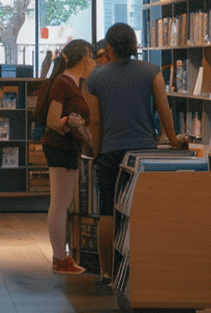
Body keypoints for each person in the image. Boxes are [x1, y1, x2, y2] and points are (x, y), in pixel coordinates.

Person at [84, 23, 185, 286]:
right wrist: (174, 142)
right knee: (142, 211)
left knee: (106, 211)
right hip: (143, 151)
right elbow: (164, 111)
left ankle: (106, 273)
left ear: (109, 48)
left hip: (110, 151)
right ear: (133, 44)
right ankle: (143, 269)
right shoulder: (151, 71)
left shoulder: (96, 77)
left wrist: (96, 151)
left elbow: (95, 122)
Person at [35, 39, 96, 274]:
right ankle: (61, 258)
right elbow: (53, 120)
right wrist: (72, 123)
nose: (93, 63)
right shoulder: (64, 84)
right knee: (60, 205)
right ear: (83, 59)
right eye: (90, 57)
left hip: (66, 147)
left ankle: (62, 256)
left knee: (62, 203)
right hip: (60, 146)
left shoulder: (70, 83)